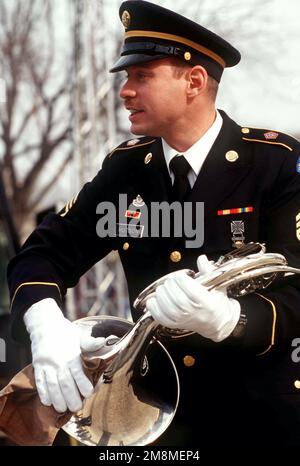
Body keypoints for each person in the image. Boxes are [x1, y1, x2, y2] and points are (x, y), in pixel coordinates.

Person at [7, 0, 300, 448]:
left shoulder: (275, 163)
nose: (125, 91)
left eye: (142, 76)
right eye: (127, 77)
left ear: (194, 82)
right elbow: (43, 254)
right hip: (153, 421)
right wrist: (46, 324)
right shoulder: (126, 170)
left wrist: (231, 320)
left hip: (258, 422)